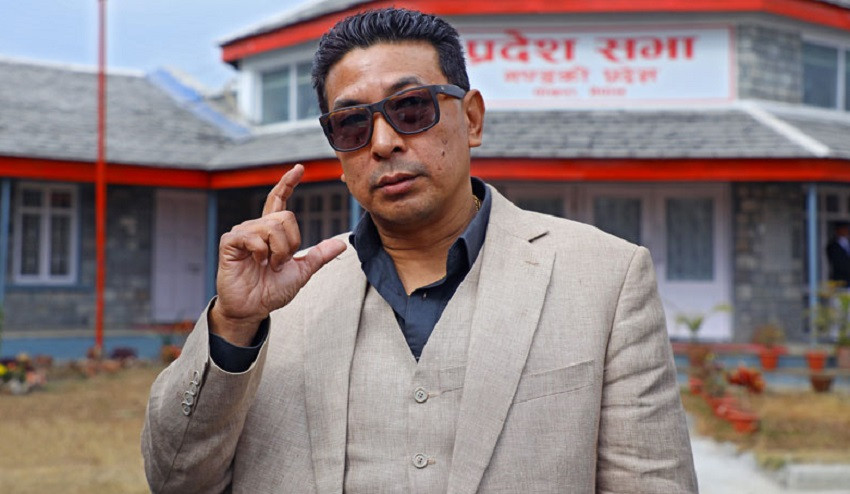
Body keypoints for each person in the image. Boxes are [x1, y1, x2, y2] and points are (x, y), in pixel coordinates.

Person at [142, 8, 697, 493]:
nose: (384, 143)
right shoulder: (278, 300)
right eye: (352, 124)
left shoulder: (604, 277)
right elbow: (175, 480)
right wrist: (235, 325)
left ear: (471, 118)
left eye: (411, 109)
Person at [827, 222, 850, 287]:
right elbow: (838, 263)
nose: (846, 231)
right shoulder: (832, 246)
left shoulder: (848, 243)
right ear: (837, 231)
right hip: (840, 280)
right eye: (844, 229)